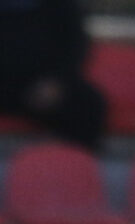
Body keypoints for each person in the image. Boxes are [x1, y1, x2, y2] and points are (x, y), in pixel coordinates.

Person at [0, 0, 106, 149]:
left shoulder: (61, 6)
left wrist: (58, 81)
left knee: (89, 105)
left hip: (44, 86)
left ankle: (70, 165)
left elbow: (76, 47)